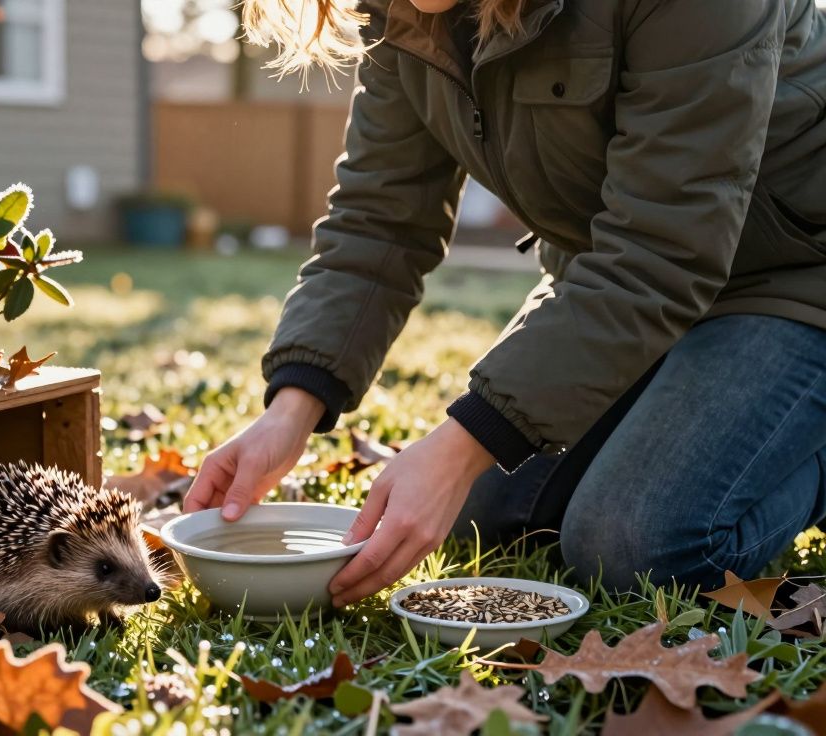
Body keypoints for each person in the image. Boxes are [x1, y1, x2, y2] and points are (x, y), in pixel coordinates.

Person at [184, 0, 826, 607]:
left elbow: (663, 248)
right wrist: (290, 413)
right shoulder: (405, 13)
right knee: (483, 516)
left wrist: (465, 443)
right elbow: (380, 222)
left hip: (795, 280)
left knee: (638, 548)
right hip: (622, 293)